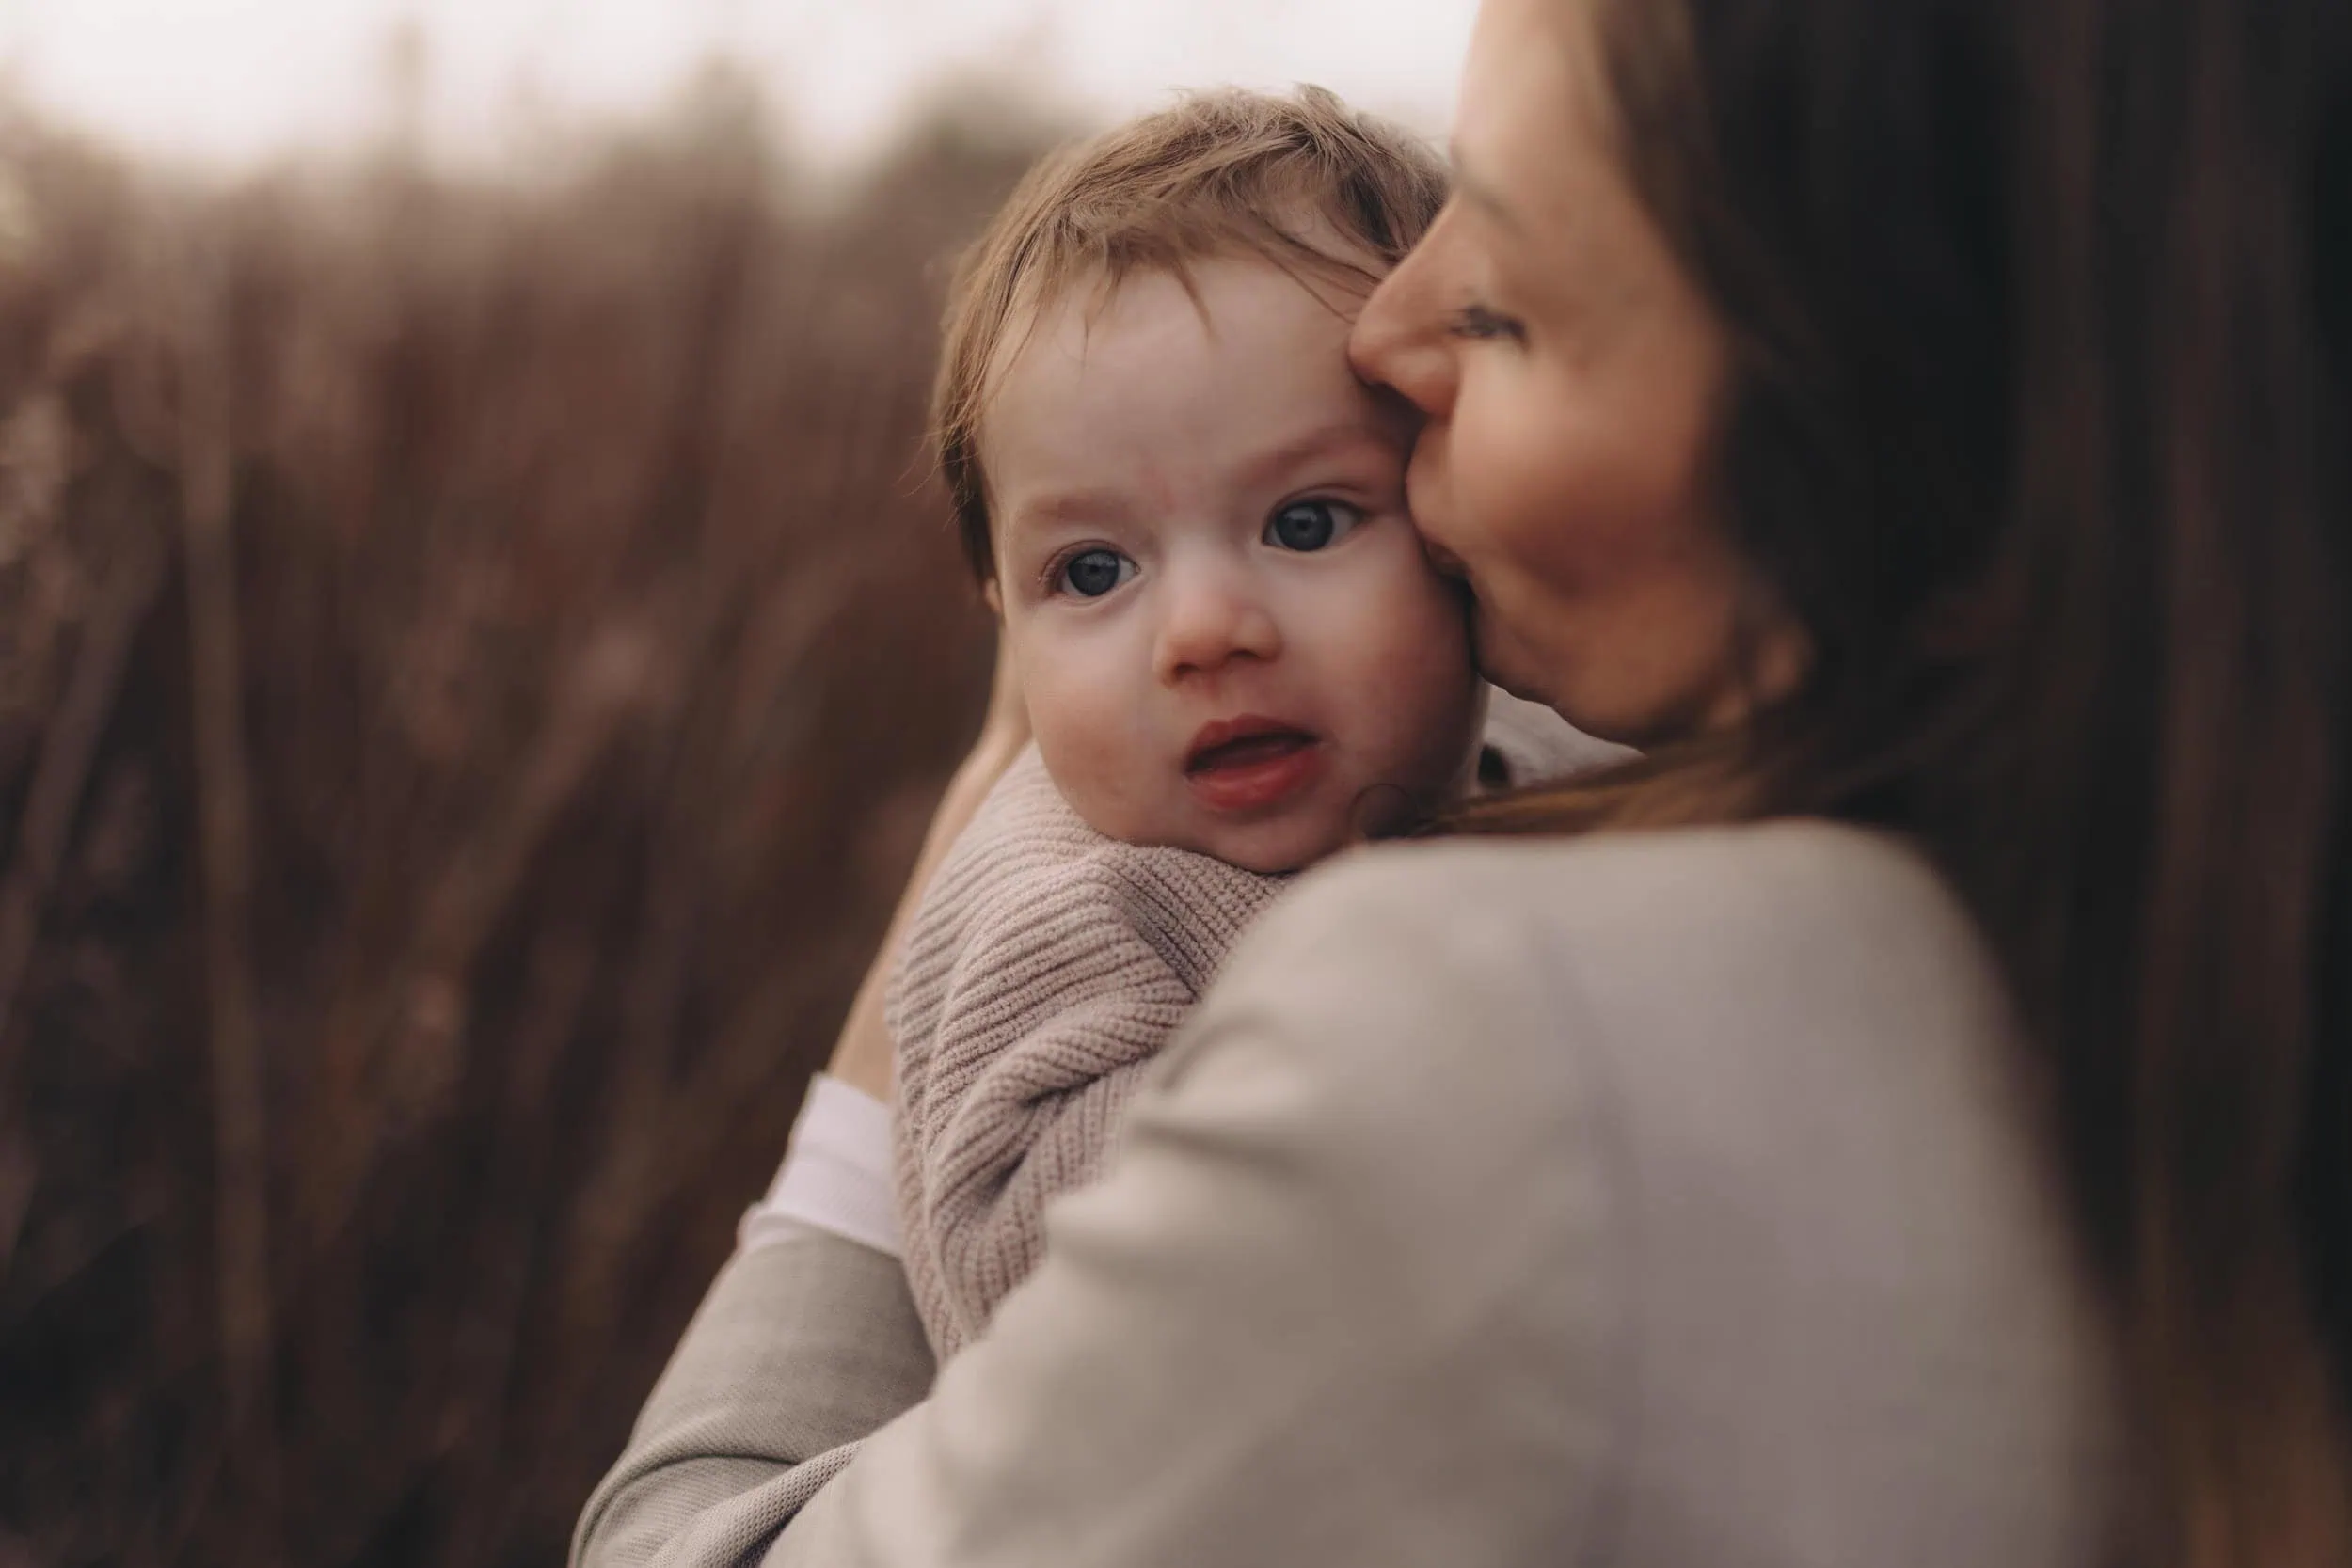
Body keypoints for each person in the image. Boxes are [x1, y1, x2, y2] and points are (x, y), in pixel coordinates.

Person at [575, 0, 2352, 1562]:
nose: (1388, 337)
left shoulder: (1489, 1036)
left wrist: (871, 1078)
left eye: (1504, 302)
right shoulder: (2179, 952)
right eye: (1090, 570)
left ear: (1876, 408)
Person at [885, 88, 1621, 1360]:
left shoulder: (1549, 766)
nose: (1203, 632)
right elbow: (1091, 1323)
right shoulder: (1069, 923)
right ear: (1001, 611)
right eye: (1095, 571)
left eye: (1305, 522)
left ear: (1454, 509)